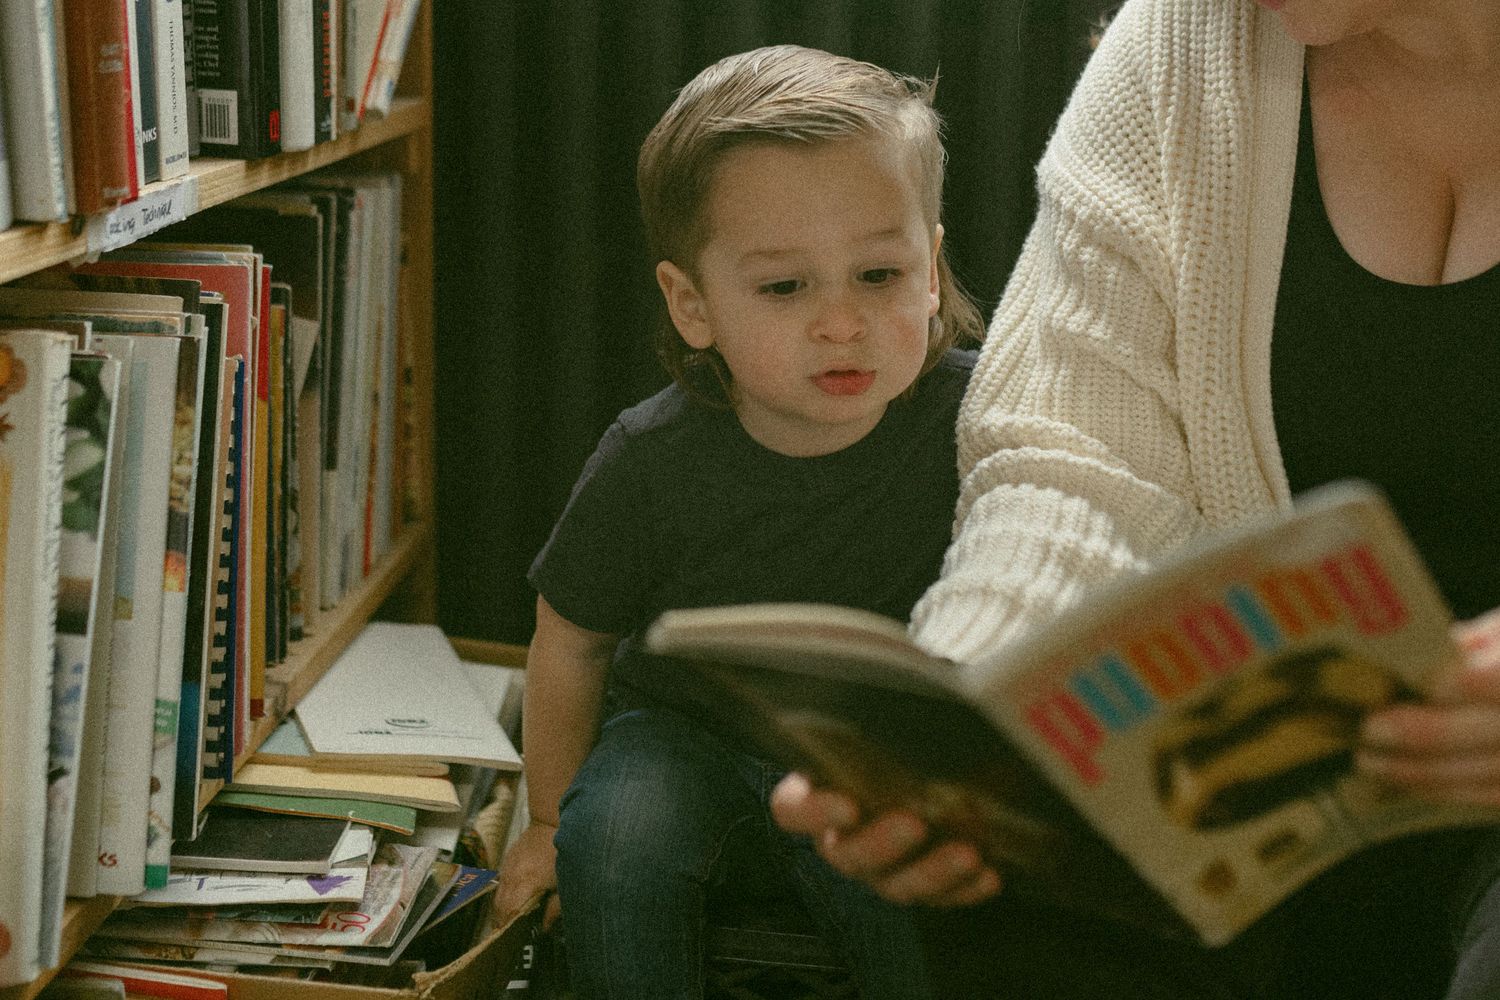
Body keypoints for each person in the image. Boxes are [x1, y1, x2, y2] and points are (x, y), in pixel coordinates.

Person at [770, 0, 1500, 997]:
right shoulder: (1182, 45)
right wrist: (963, 725)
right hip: (1286, 783)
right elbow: (1072, 466)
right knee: (1008, 908)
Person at [490, 44, 985, 1000]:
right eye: (785, 287)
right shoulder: (650, 456)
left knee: (915, 891)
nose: (841, 322)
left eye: (880, 275)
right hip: (687, 732)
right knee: (619, 842)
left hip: (876, 749)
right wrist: (547, 822)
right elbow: (572, 640)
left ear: (931, 271)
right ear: (692, 304)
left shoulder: (983, 416)